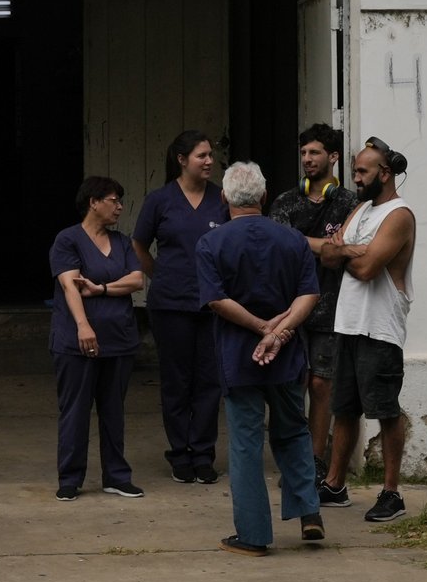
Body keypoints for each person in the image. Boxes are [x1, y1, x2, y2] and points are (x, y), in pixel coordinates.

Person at [196, 161, 324, 555]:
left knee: (246, 444)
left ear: (224, 199)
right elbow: (309, 295)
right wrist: (281, 332)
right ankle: (309, 513)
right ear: (265, 197)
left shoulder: (211, 243)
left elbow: (216, 299)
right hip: (285, 357)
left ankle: (252, 535)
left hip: (239, 356)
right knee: (293, 431)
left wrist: (258, 327)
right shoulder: (292, 240)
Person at [318, 136, 416, 523]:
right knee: (344, 410)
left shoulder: (399, 215)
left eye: (362, 171)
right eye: (355, 170)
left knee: (385, 411)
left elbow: (367, 268)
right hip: (348, 324)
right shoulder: (359, 211)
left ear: (385, 173)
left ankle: (392, 493)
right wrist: (347, 250)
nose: (355, 178)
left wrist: (347, 251)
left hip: (380, 330)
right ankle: (335, 484)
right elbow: (328, 254)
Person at [132, 129, 230, 484]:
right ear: (181, 159)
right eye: (202, 156)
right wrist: (162, 276)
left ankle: (203, 454)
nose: (209, 162)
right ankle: (179, 453)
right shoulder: (160, 200)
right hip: (170, 305)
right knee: (177, 381)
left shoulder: (222, 199)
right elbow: (139, 245)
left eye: (210, 156)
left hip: (213, 306)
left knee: (209, 381)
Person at [48, 177, 146, 502]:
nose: (119, 206)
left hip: (119, 339)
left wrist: (102, 288)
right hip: (76, 341)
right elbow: (70, 285)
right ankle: (70, 478)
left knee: (113, 410)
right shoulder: (68, 240)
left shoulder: (122, 241)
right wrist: (83, 325)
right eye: (113, 200)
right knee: (75, 409)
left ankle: (116, 476)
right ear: (93, 202)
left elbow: (136, 280)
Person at [267, 122, 357, 471]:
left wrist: (304, 244)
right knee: (292, 383)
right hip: (288, 307)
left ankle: (314, 460)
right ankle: (290, 457)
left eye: (314, 152)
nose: (307, 158)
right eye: (303, 153)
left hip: (333, 308)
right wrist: (328, 248)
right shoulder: (286, 202)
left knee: (322, 385)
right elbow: (279, 245)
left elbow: (349, 251)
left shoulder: (351, 203)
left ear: (333, 157)